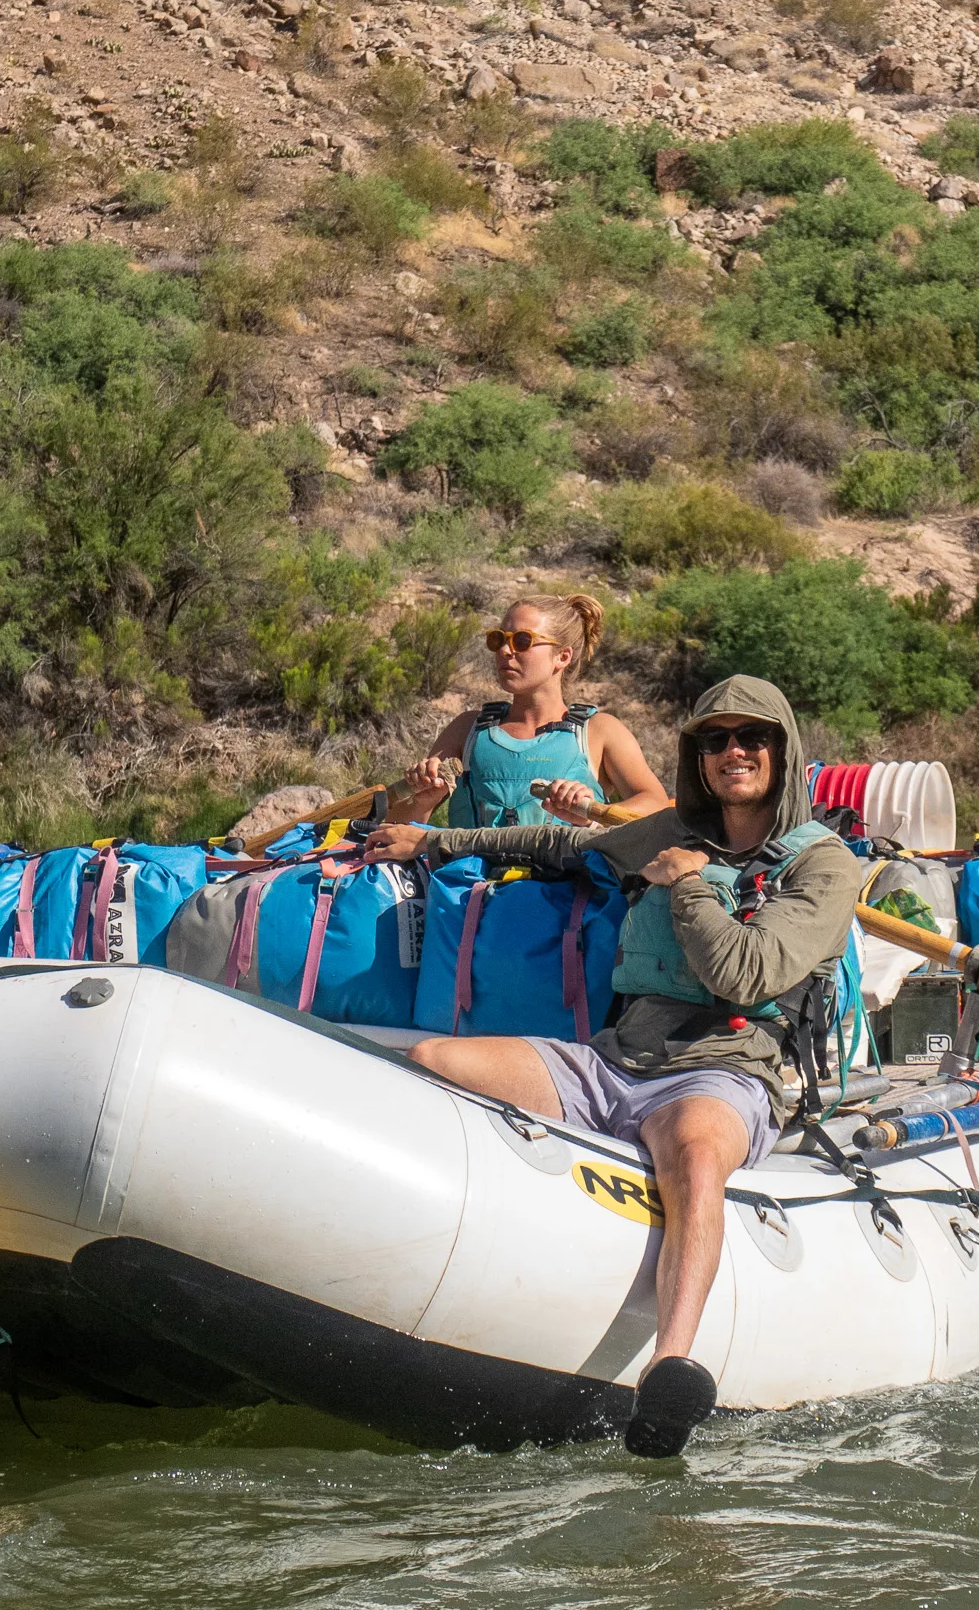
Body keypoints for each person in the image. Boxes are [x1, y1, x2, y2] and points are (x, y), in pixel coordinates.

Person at [361, 674, 864, 1458]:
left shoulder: (825, 866)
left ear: (783, 750)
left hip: (727, 1068)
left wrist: (690, 883)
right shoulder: (667, 828)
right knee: (434, 1059)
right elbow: (561, 843)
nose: (735, 752)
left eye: (753, 738)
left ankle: (672, 1365)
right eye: (716, 740)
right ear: (697, 755)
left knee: (696, 1155)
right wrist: (435, 842)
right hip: (619, 1057)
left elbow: (748, 975)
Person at [394, 594, 666, 829]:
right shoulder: (467, 729)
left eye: (522, 641)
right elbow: (396, 828)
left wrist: (592, 813)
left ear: (563, 656)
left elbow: (656, 804)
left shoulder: (599, 731)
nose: (504, 650)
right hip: (467, 887)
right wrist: (423, 799)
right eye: (498, 639)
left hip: (566, 888)